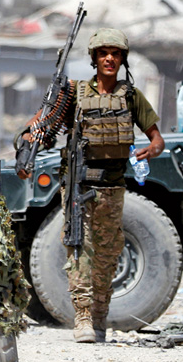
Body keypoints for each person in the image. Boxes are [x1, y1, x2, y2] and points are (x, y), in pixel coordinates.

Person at [18, 27, 164, 343]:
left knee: (108, 255)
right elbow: (46, 124)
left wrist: (152, 149)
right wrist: (28, 142)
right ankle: (82, 317)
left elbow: (157, 138)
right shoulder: (75, 93)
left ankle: (99, 316)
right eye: (103, 53)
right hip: (79, 185)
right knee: (79, 250)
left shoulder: (130, 96)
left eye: (115, 54)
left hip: (112, 188)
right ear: (94, 58)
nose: (109, 59)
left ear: (122, 59)